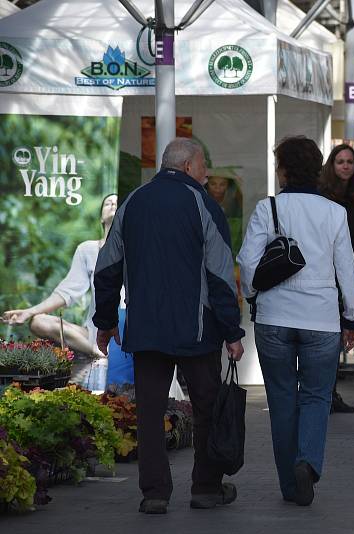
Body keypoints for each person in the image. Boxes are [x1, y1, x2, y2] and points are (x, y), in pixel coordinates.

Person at [93, 138, 245, 514]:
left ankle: (155, 493)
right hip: (197, 333)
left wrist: (106, 320)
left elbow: (107, 266)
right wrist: (232, 331)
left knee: (148, 411)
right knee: (207, 408)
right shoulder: (204, 205)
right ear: (190, 166)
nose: (207, 173)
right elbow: (221, 276)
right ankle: (206, 488)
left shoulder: (133, 203)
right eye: (203, 166)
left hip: (147, 331)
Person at [238, 136, 354, 507]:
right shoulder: (334, 212)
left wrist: (255, 296)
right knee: (317, 396)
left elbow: (246, 261)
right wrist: (351, 317)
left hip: (274, 317)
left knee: (281, 399)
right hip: (321, 319)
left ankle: (291, 487)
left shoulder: (268, 208)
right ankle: (307, 461)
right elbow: (347, 271)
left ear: (285, 170)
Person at [2, 194, 119, 361]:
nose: (113, 204)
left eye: (117, 203)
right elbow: (66, 292)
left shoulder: (133, 250)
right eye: (108, 203)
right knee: (38, 322)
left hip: (123, 330)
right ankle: (95, 350)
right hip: (92, 333)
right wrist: (28, 312)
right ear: (101, 217)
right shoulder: (87, 249)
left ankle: (103, 349)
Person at [319, 143, 354, 414]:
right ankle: (322, 391)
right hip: (324, 271)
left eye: (349, 162)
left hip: (348, 271)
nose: (345, 166)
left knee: (342, 331)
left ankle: (330, 390)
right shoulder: (322, 194)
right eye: (340, 161)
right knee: (325, 332)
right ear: (332, 164)